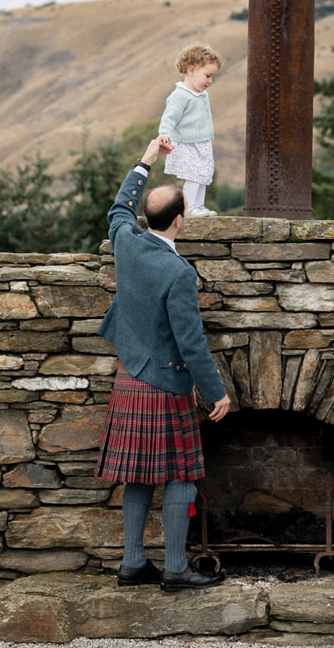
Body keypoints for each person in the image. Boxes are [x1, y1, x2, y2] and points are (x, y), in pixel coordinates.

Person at [95, 135, 232, 591]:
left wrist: (146, 161)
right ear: (180, 220)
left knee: (136, 474)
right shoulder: (178, 272)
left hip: (128, 377)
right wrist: (216, 393)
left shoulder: (125, 240)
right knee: (181, 474)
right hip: (164, 386)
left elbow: (118, 208)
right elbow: (190, 342)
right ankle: (174, 568)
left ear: (146, 219)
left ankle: (133, 563)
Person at [157, 42, 222, 218]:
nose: (210, 81)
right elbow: (169, 117)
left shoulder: (201, 93)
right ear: (191, 70)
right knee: (194, 175)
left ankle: (198, 206)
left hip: (201, 143)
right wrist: (164, 134)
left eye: (212, 77)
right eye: (207, 76)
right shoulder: (181, 95)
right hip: (187, 144)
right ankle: (189, 206)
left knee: (203, 175)